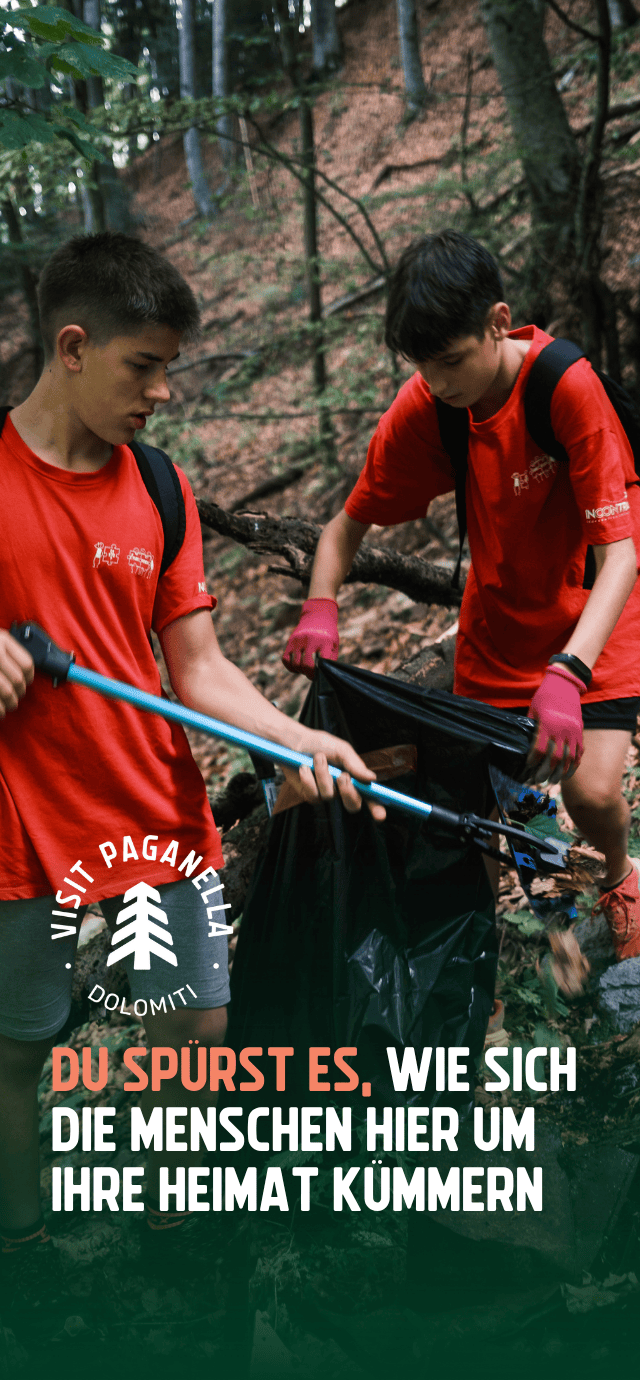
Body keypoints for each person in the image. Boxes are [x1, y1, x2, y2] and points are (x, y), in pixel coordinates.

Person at [0, 231, 384, 1306]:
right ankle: (24, 1264)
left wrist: (289, 737)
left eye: (172, 366)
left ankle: (172, 1244)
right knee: (18, 1055)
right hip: (19, 827)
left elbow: (199, 665)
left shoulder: (159, 489)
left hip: (153, 807)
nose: (163, 392)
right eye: (144, 366)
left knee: (192, 1036)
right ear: (71, 346)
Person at [283, 229, 640, 962]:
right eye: (423, 366)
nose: (438, 381)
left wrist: (569, 673)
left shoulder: (564, 386)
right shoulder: (431, 406)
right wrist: (321, 605)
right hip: (498, 629)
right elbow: (346, 527)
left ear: (497, 322)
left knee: (593, 792)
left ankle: (621, 879)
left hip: (595, 614)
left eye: (450, 361)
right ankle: (530, 932)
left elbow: (622, 555)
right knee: (481, 817)